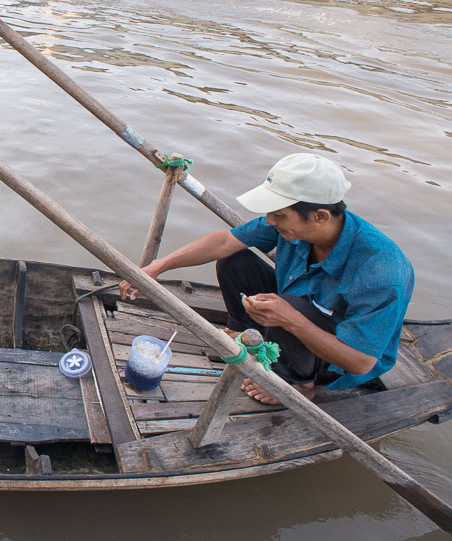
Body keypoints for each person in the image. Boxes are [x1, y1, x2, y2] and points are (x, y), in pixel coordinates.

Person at [119, 153, 413, 405]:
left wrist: (288, 319)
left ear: (320, 217)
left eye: (280, 215)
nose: (270, 220)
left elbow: (360, 362)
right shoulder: (292, 224)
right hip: (297, 307)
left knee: (293, 309)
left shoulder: (381, 272)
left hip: (338, 358)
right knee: (235, 260)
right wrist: (157, 267)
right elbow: (224, 242)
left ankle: (300, 383)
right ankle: (244, 332)